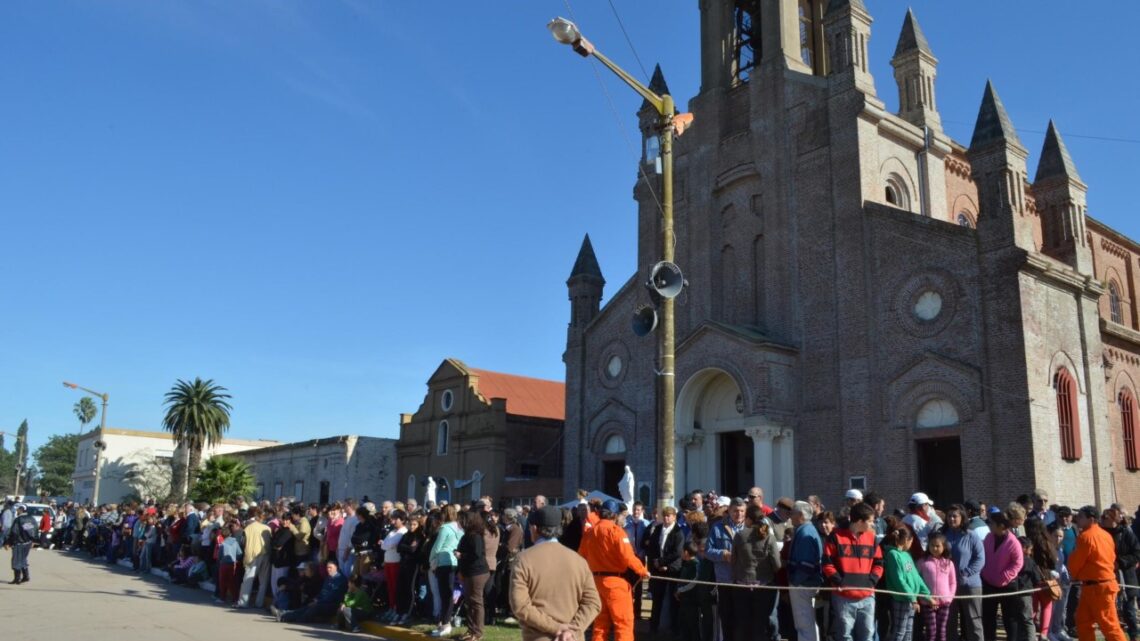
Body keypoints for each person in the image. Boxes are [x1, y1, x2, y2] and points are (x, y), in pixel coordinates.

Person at [509, 505, 601, 641]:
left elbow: (520, 605)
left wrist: (557, 628)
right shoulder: (579, 561)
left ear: (534, 529)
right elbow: (593, 603)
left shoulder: (524, 559)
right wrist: (572, 630)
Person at [578, 499, 649, 641]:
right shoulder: (617, 532)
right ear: (615, 515)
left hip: (596, 583)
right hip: (616, 583)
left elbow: (581, 557)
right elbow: (628, 557)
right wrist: (642, 570)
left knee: (600, 625)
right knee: (623, 623)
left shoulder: (590, 533)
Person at [822, 502, 884, 641]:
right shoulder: (835, 537)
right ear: (860, 521)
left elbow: (879, 564)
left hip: (867, 596)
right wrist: (841, 582)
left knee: (868, 636)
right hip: (843, 597)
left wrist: (871, 582)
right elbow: (827, 564)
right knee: (845, 636)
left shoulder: (871, 538)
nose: (872, 524)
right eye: (870, 521)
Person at [1068, 505, 1127, 641]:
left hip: (1098, 587)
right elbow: (1111, 558)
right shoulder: (1106, 535)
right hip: (1097, 586)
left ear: (1091, 519)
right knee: (1082, 621)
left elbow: (1076, 561)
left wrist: (1073, 574)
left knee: (1109, 626)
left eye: (1081, 517)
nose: (1077, 519)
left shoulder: (1085, 537)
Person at [732, 503, 782, 641]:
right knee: (760, 623)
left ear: (749, 519)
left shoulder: (740, 535)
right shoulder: (769, 537)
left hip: (742, 585)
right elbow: (777, 564)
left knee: (743, 622)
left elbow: (733, 560)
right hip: (764, 585)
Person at [981, 507, 1029, 641]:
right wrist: (985, 572)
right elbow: (983, 555)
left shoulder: (1013, 542)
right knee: (988, 617)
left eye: (992, 523)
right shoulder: (989, 537)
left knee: (1010, 618)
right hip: (988, 583)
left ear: (1001, 526)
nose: (990, 526)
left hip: (1008, 585)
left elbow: (1018, 563)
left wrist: (1005, 576)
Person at [943, 505, 985, 641]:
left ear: (962, 517)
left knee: (973, 621)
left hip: (970, 585)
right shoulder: (942, 535)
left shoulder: (971, 535)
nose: (951, 519)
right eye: (949, 516)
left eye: (955, 516)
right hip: (948, 586)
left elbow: (980, 558)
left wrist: (966, 573)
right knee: (949, 622)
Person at [707, 498, 747, 641]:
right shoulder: (718, 527)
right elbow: (708, 551)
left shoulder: (749, 528)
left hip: (744, 581)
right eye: (736, 511)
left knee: (741, 617)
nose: (739, 514)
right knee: (726, 616)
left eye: (742, 511)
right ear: (729, 511)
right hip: (724, 579)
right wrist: (723, 555)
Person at [884, 526, 930, 641]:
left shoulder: (907, 555)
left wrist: (927, 595)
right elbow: (899, 580)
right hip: (901, 599)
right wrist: (912, 598)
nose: (911, 544)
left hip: (910, 599)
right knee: (900, 631)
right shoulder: (893, 555)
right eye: (911, 542)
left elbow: (916, 577)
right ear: (906, 540)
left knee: (909, 631)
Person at [645, 505, 684, 635]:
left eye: (669, 516)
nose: (666, 518)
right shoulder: (657, 529)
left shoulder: (678, 532)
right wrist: (655, 563)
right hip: (657, 569)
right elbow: (652, 548)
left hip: (672, 569)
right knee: (657, 599)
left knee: (674, 600)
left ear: (674, 517)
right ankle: (653, 627)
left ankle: (674, 629)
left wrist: (663, 563)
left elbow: (677, 552)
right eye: (665, 516)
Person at [788, 500, 824, 641]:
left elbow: (806, 565)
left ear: (801, 515)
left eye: (793, 513)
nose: (790, 516)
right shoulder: (806, 530)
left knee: (804, 624)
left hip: (803, 585)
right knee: (809, 623)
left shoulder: (805, 533)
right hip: (806, 583)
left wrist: (795, 581)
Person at [272, 560, 348, 623]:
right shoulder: (328, 578)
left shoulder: (341, 580)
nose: (328, 569)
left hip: (332, 605)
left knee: (313, 607)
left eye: (330, 568)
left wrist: (318, 602)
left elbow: (333, 596)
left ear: (336, 568)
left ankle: (288, 617)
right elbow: (322, 592)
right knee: (307, 606)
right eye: (327, 568)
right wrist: (316, 599)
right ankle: (282, 614)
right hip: (322, 602)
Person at [429, 504, 463, 637]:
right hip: (454, 561)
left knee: (445, 594)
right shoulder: (460, 528)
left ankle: (445, 623)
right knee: (447, 594)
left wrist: (431, 559)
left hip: (443, 561)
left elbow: (437, 547)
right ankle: (443, 622)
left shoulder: (445, 528)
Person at [456, 510, 490, 641]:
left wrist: (461, 555)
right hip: (469, 571)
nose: (459, 522)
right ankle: (471, 630)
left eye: (461, 520)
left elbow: (476, 554)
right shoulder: (468, 534)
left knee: (476, 602)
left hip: (477, 572)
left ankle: (478, 632)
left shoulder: (475, 536)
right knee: (469, 602)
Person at [918, 532, 956, 641]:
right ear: (928, 546)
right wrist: (926, 598)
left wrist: (949, 598)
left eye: (938, 546)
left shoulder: (949, 563)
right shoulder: (922, 562)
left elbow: (952, 582)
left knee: (942, 631)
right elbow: (917, 581)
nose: (934, 548)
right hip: (928, 602)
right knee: (931, 631)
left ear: (944, 547)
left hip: (944, 603)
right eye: (932, 545)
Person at [675, 539, 715, 641]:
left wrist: (681, 590)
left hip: (692, 601)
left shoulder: (695, 564)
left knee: (693, 625)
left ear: (686, 552)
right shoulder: (686, 564)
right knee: (684, 624)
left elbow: (693, 582)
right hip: (684, 600)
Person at [238, 507, 272, 609]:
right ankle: (259, 603)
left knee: (248, 579)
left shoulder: (249, 527)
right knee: (263, 581)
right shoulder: (267, 528)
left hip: (253, 554)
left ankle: (243, 602)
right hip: (266, 554)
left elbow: (243, 542)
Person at [380, 508, 407, 622]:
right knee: (390, 587)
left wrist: (386, 544)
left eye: (395, 519)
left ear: (401, 519)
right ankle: (391, 607)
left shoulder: (403, 531)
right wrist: (386, 544)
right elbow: (383, 545)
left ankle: (396, 608)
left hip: (396, 562)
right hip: (388, 561)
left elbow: (389, 544)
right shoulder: (392, 532)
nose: (393, 522)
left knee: (396, 587)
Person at [4, 503, 38, 584]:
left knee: (16, 560)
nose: (17, 511)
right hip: (28, 543)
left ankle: (17, 579)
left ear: (21, 510)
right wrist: (34, 541)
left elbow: (14, 532)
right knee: (23, 559)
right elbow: (35, 530)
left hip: (19, 543)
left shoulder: (18, 520)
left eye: (18, 509)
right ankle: (26, 576)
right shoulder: (32, 518)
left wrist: (8, 542)